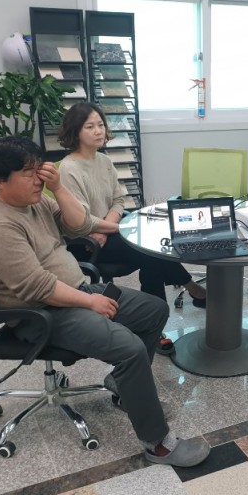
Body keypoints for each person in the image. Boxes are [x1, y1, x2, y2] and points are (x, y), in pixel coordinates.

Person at [0, 136, 210, 467]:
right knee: (129, 349)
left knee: (154, 311)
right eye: (28, 173)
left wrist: (58, 188)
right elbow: (36, 286)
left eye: (39, 169)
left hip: (73, 291)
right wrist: (89, 301)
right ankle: (158, 444)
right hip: (41, 313)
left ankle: (122, 384)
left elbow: (79, 224)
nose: (38, 179)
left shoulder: (35, 202)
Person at [56, 102, 208, 345]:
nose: (98, 131)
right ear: (76, 131)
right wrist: (116, 228)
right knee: (150, 251)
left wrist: (107, 227)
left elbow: (118, 200)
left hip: (105, 234)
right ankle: (184, 295)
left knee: (153, 249)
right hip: (85, 244)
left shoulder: (104, 161)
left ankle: (159, 318)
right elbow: (81, 221)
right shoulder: (69, 168)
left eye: (100, 125)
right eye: (90, 127)